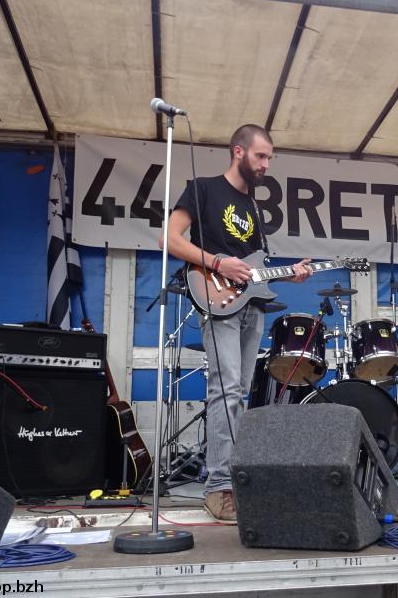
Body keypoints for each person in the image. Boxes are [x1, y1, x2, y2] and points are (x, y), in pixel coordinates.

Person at [166, 124, 311, 522]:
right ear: (238, 152)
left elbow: (253, 270)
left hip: (251, 308)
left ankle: (235, 479)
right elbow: (171, 238)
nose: (266, 164)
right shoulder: (203, 189)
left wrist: (291, 272)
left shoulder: (255, 210)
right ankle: (217, 488)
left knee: (240, 392)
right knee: (225, 389)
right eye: (261, 156)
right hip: (215, 299)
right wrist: (215, 261)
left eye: (269, 158)